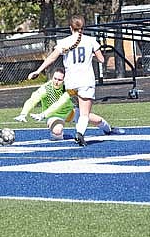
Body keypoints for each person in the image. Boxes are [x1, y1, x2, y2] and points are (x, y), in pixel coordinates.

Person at [28, 15, 104, 146]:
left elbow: (51, 58)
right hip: (86, 81)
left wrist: (38, 71)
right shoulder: (91, 40)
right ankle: (80, 133)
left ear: (70, 28)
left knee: (75, 108)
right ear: (83, 27)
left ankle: (50, 117)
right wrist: (91, 56)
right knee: (84, 114)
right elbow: (102, 59)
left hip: (70, 82)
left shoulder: (64, 42)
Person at [14, 67, 124, 140]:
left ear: (64, 80)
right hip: (54, 115)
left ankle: (110, 130)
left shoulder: (68, 88)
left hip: (70, 113)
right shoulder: (46, 88)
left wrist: (43, 114)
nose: (56, 81)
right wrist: (23, 113)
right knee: (57, 132)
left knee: (98, 120)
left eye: (60, 80)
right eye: (55, 78)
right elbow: (32, 100)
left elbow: (59, 104)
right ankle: (60, 134)